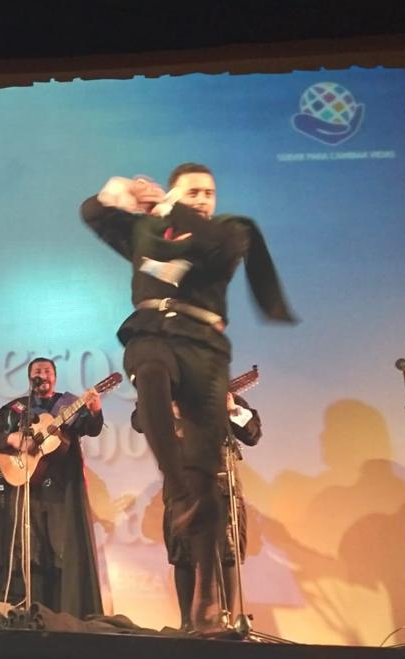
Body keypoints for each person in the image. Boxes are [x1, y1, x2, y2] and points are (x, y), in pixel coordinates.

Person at [81, 164, 293, 631]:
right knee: (150, 368)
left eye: (208, 192)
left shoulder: (229, 232)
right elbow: (93, 212)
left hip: (204, 344)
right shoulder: (148, 234)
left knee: (206, 475)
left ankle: (209, 598)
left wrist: (167, 204)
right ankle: (178, 490)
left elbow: (210, 241)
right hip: (154, 330)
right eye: (192, 191)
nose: (202, 199)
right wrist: (122, 190)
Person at [0, 357, 104, 619]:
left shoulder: (68, 404)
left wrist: (95, 411)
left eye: (47, 371)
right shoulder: (17, 409)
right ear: (30, 377)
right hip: (27, 492)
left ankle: (60, 615)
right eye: (37, 371)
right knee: (30, 552)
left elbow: (91, 429)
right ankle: (30, 611)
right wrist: (11, 438)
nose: (42, 375)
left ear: (54, 377)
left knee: (60, 550)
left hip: (60, 491)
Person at [162, 392, 262, 632]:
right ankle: (187, 623)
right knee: (183, 554)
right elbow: (139, 420)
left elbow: (253, 435)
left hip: (223, 484)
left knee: (228, 551)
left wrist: (232, 409)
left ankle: (227, 620)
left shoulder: (225, 396)